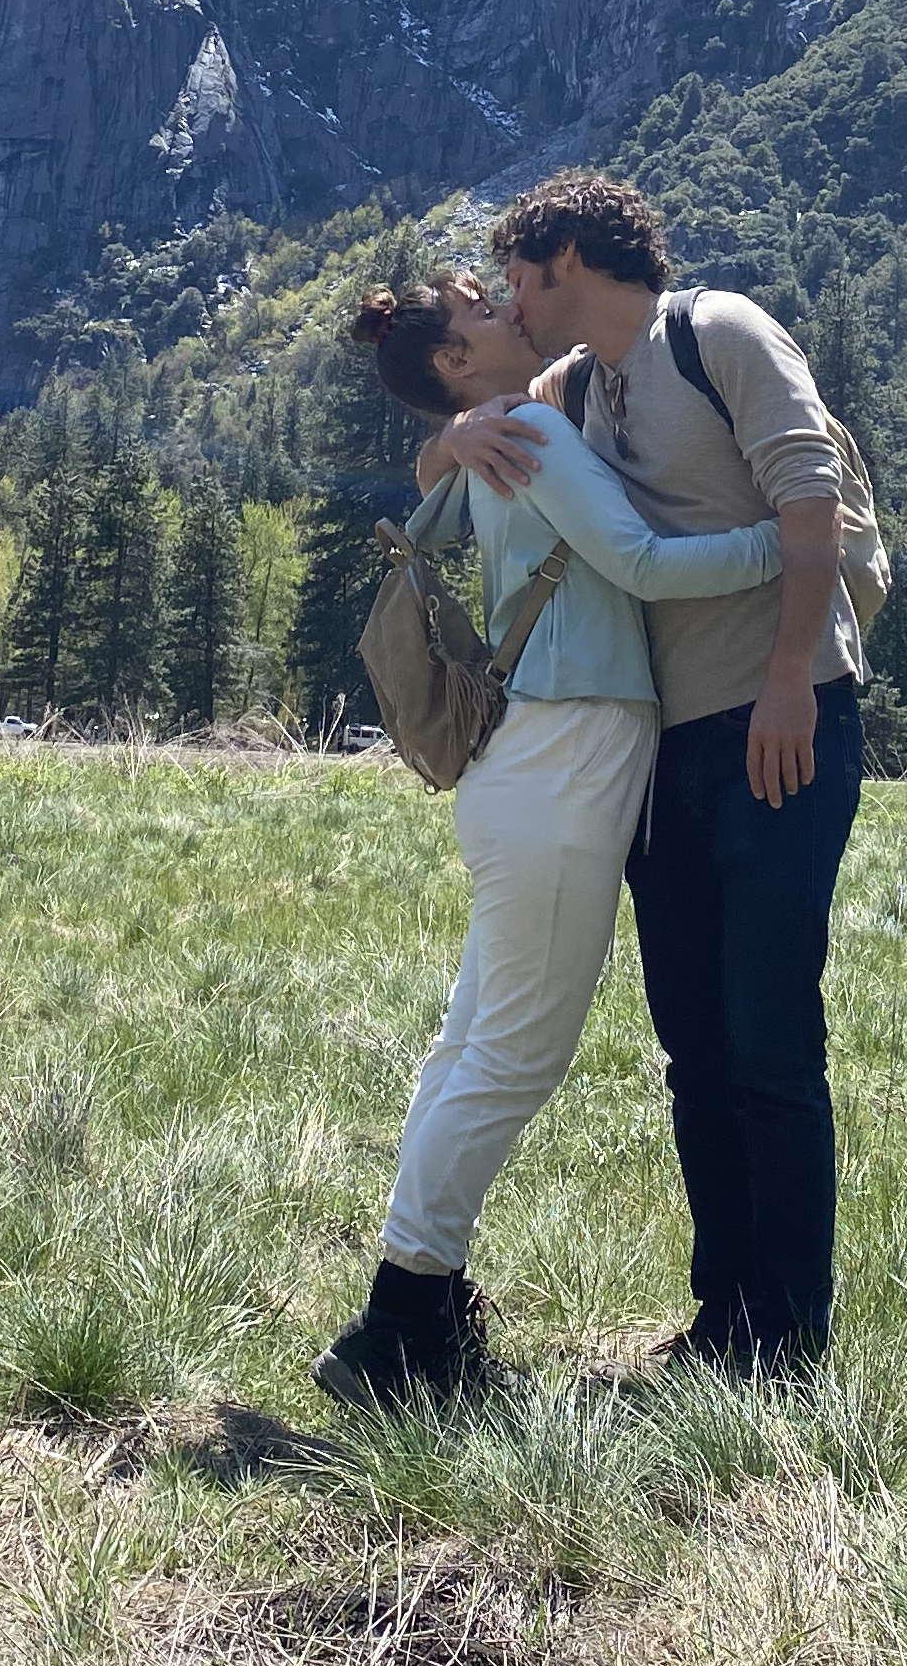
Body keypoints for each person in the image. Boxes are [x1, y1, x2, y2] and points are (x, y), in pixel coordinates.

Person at [314, 269, 792, 1413]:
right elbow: (644, 564)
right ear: (453, 364)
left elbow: (447, 509)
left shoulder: (503, 427)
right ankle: (398, 1326)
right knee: (511, 1058)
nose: (510, 312)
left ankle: (419, 1310)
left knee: (472, 1049)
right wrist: (788, 543)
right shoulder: (525, 429)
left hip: (532, 764)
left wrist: (445, 441)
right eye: (483, 314)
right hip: (563, 761)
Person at [414, 170, 866, 1377]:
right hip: (671, 750)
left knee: (769, 1039)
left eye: (518, 278)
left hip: (782, 719)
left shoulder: (721, 335)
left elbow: (812, 502)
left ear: (565, 260)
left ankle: (790, 1341)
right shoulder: (577, 384)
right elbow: (448, 463)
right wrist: (451, 436)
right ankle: (725, 1320)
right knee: (695, 1046)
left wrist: (787, 678)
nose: (511, 301)